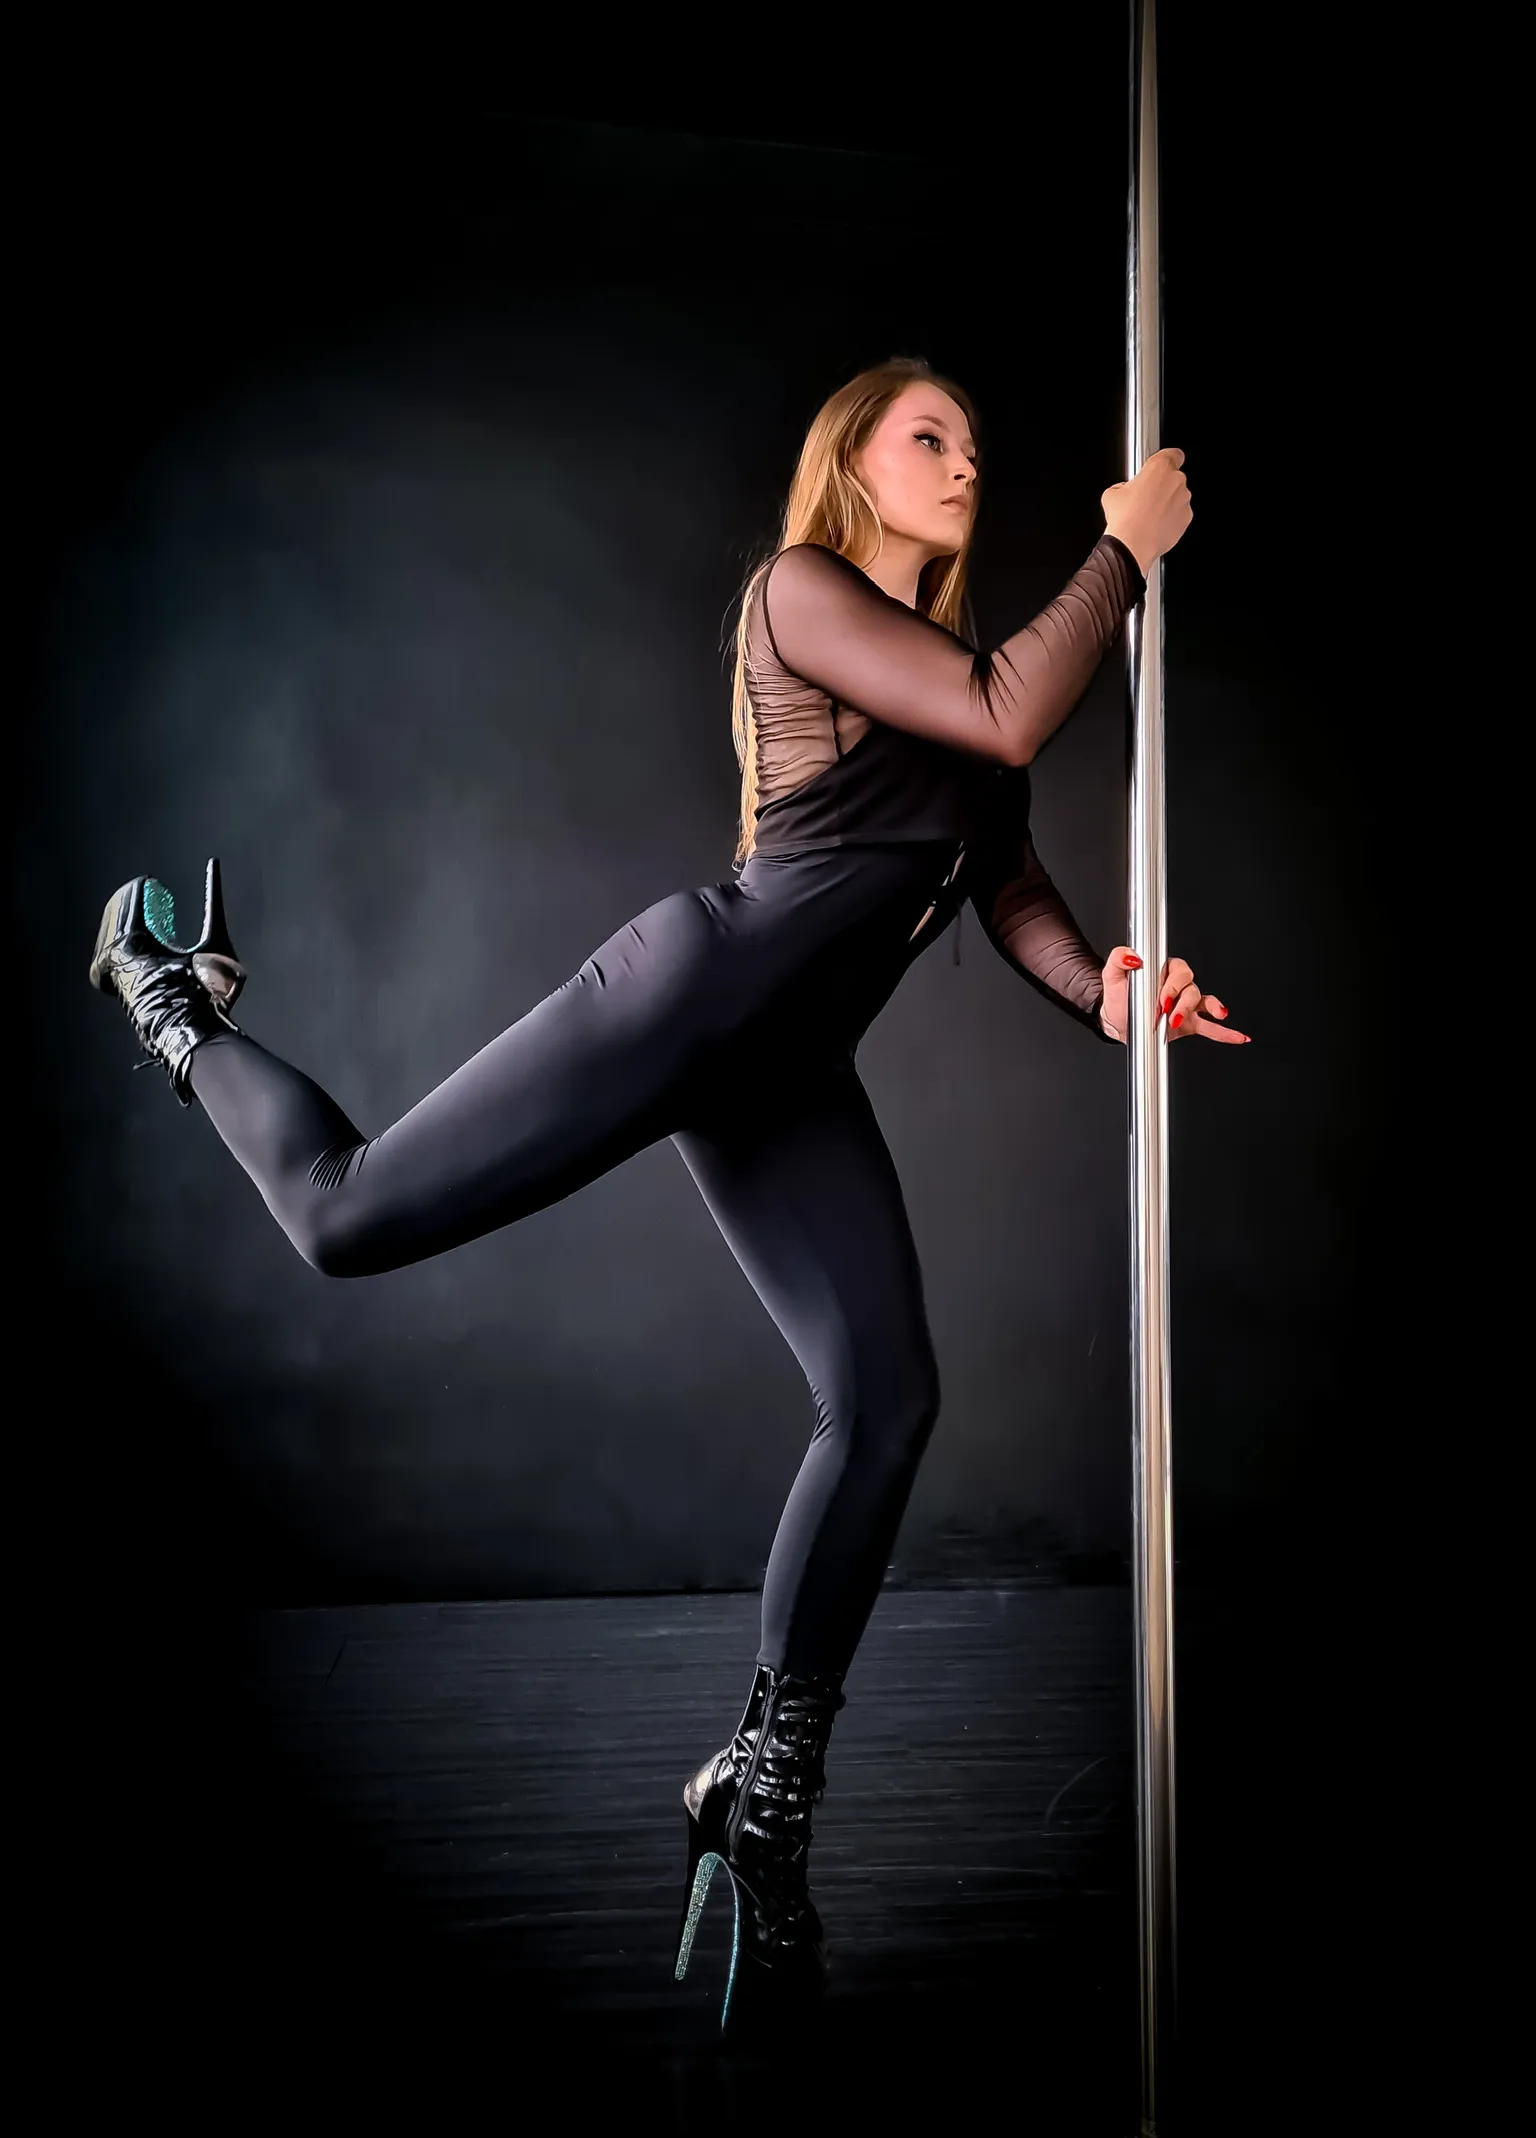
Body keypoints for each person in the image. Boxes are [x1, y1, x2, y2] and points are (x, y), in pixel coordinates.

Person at [88, 358, 1244, 2033]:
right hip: (687, 999)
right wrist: (1124, 549)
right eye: (927, 437)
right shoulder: (804, 594)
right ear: (850, 465)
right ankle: (173, 998)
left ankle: (757, 1791)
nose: (963, 463)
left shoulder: (957, 691)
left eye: (973, 446)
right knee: (343, 1216)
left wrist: (1111, 994)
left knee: (887, 1401)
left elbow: (1008, 886)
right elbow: (1008, 708)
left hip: (790, 1076)